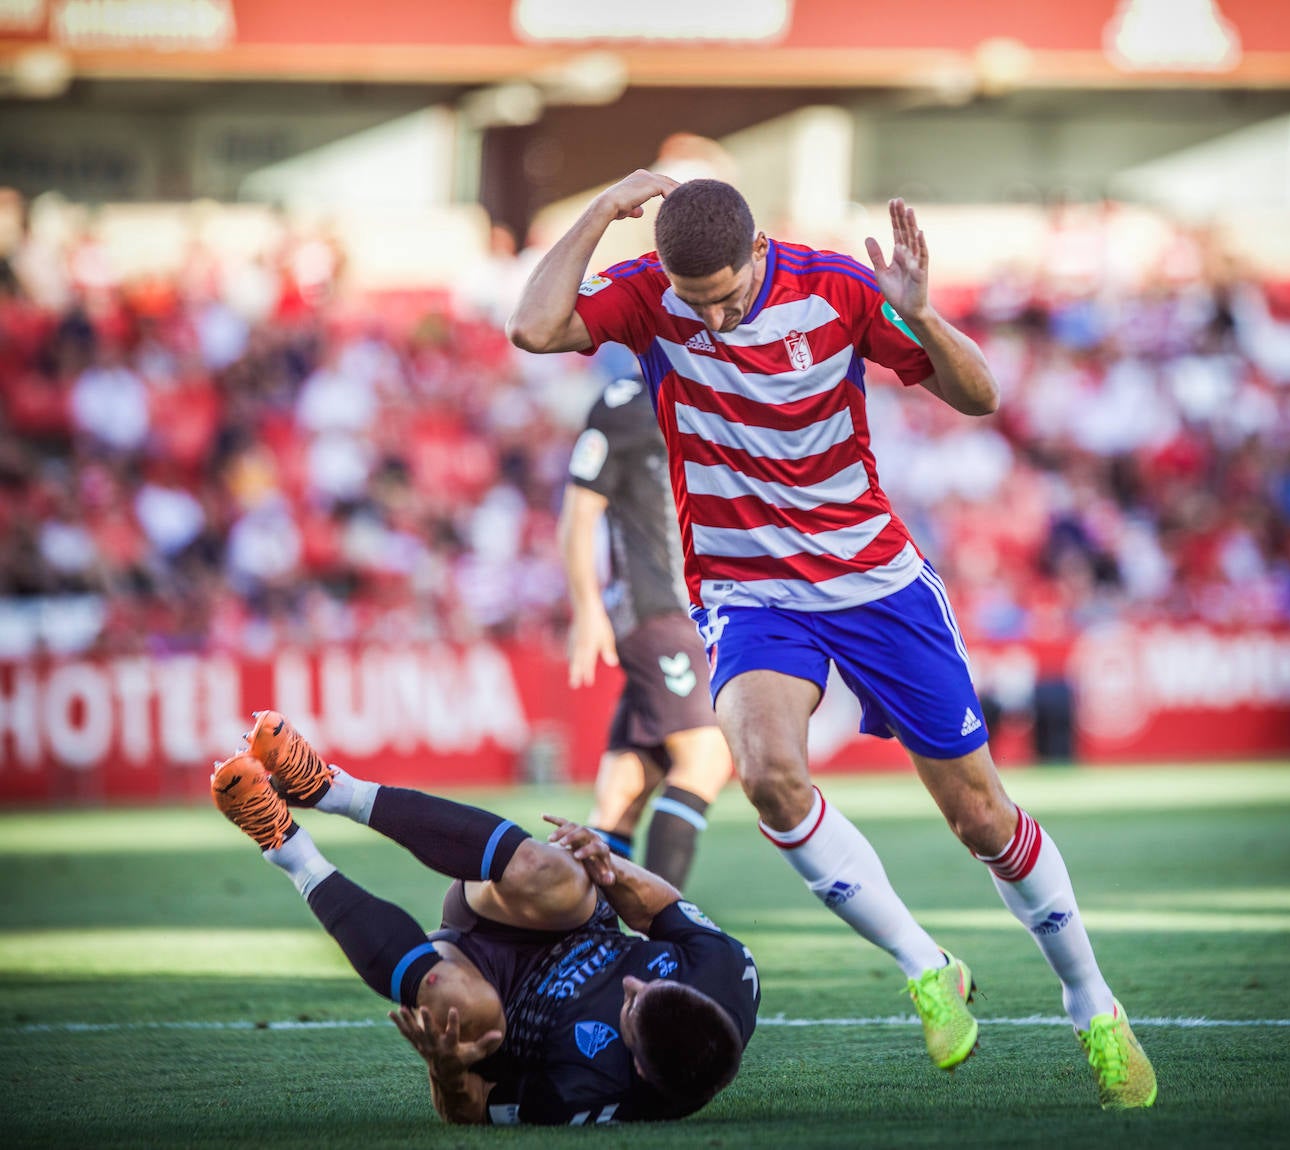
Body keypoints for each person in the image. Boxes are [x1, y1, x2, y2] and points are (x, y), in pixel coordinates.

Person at [506, 171, 1156, 1109]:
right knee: (766, 772)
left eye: (726, 296)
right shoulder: (651, 298)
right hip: (751, 593)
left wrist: (924, 318)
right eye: (697, 304)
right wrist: (603, 208)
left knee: (980, 816)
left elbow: (981, 396)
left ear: (758, 252)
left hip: (876, 582)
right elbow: (533, 327)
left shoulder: (834, 288)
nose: (716, 320)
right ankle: (927, 966)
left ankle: (1092, 1001)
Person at [210, 709, 759, 1126]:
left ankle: (286, 847)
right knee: (559, 872)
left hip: (484, 983)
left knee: (458, 1010)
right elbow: (660, 906)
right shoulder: (728, 972)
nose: (634, 981)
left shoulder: (589, 1096)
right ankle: (333, 790)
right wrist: (604, 857)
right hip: (556, 923)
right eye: (654, 983)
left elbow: (469, 1110)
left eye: (632, 1003)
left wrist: (445, 1073)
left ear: (638, 1066)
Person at [559, 373, 734, 887]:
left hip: (694, 613)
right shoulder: (628, 402)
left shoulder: (713, 384)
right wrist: (587, 607)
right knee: (705, 756)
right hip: (658, 612)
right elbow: (578, 512)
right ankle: (666, 926)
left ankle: (583, 937)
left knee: (622, 795)